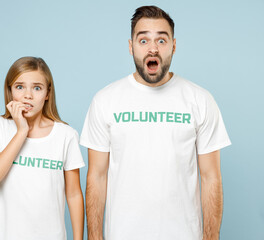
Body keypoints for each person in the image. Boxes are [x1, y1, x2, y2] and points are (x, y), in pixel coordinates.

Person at [81, 6, 231, 240]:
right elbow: (96, 177)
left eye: (161, 40)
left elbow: (211, 177)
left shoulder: (200, 100)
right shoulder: (105, 101)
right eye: (143, 40)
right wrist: (94, 237)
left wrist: (211, 238)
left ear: (173, 45)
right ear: (131, 47)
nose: (153, 48)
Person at [0, 57, 85, 240]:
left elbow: (74, 194)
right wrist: (21, 132)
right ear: (10, 91)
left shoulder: (66, 135)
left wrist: (78, 238)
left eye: (37, 88)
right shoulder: (0, 127)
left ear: (47, 93)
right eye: (20, 87)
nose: (28, 95)